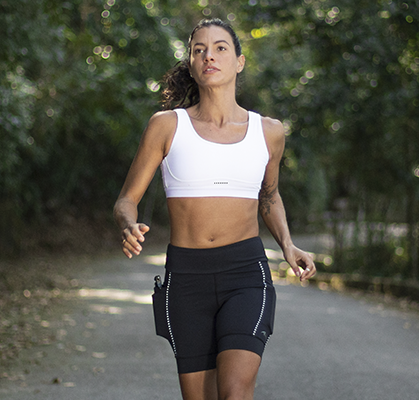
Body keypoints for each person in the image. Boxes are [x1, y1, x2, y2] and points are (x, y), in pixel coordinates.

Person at [113, 18, 317, 400]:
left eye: (221, 47)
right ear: (191, 63)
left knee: (235, 391)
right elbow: (126, 200)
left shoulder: (268, 132)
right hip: (186, 277)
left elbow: (269, 196)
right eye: (199, 49)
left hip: (245, 273)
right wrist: (128, 223)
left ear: (239, 61)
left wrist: (288, 245)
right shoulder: (167, 126)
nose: (209, 55)